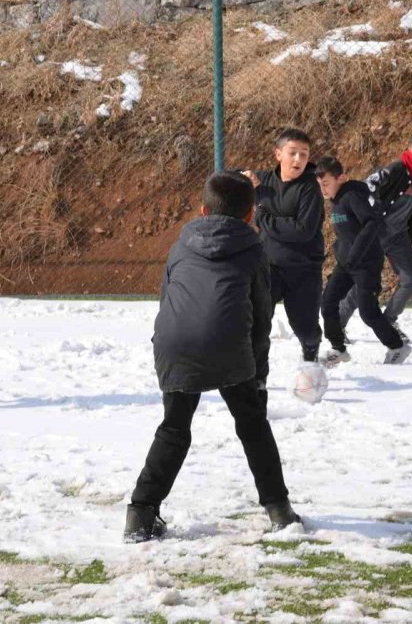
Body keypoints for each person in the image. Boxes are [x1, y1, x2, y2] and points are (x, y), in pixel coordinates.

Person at [124, 172, 302, 543]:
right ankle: (279, 511)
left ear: (203, 210)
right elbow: (261, 318)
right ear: (251, 215)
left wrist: (164, 346)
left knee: (174, 428)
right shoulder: (254, 251)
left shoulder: (180, 246)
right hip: (229, 345)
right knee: (253, 425)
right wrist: (258, 378)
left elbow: (166, 301)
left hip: (175, 344)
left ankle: (140, 514)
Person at [340, 131, 412, 342]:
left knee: (411, 279)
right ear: (409, 150)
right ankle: (337, 323)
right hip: (376, 234)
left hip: (398, 236)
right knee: (366, 283)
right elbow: (366, 187)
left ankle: (389, 321)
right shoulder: (396, 169)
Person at [315, 157, 411, 367]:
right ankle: (338, 349)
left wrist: (356, 254)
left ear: (341, 178)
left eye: (326, 184)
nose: (323, 190)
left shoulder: (351, 196)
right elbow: (347, 232)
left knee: (368, 312)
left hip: (366, 263)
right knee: (328, 302)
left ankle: (397, 347)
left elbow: (371, 222)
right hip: (346, 264)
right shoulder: (336, 199)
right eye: (319, 185)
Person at [240, 128, 325, 363]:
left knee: (305, 326)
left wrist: (262, 218)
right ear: (278, 154)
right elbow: (226, 179)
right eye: (293, 153)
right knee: (258, 320)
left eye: (304, 154)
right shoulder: (263, 181)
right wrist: (244, 177)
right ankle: (255, 370)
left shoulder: (310, 189)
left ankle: (311, 354)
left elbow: (302, 230)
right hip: (269, 266)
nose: (298, 159)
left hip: (303, 269)